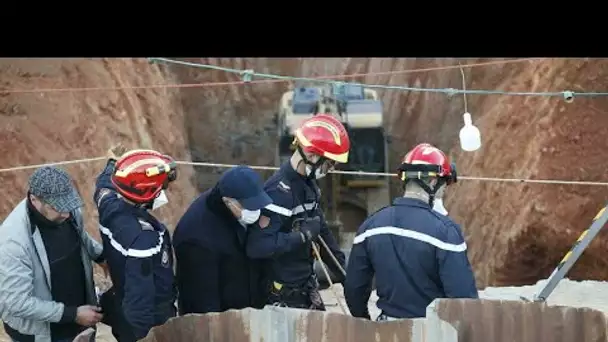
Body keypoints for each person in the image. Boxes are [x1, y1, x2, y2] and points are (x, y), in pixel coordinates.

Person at [343, 143, 479, 321]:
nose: (444, 191)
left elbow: (354, 289)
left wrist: (365, 321)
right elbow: (464, 300)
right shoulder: (446, 232)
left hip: (387, 331)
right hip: (431, 332)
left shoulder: (370, 226)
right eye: (444, 184)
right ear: (432, 181)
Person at [246, 114, 349, 310]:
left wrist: (344, 273)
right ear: (312, 156)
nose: (332, 169)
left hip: (305, 287)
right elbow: (258, 246)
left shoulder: (309, 186)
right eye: (330, 163)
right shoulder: (277, 193)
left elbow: (321, 231)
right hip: (283, 297)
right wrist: (301, 236)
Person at [0, 165, 105, 342]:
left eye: (68, 204)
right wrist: (72, 314)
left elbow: (80, 236)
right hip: (41, 333)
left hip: (79, 319)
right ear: (34, 200)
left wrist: (101, 256)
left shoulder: (67, 211)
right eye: (58, 207)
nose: (66, 213)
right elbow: (17, 302)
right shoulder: (13, 243)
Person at [93, 145, 178, 342]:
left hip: (121, 298)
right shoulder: (143, 239)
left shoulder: (109, 204)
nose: (163, 191)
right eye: (161, 187)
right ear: (147, 193)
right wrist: (147, 337)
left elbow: (104, 184)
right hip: (149, 321)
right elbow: (139, 299)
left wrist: (113, 164)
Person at [172, 165, 273, 315]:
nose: (255, 212)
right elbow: (202, 305)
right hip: (222, 324)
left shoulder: (234, 212)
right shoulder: (196, 238)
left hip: (250, 312)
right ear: (228, 201)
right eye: (249, 207)